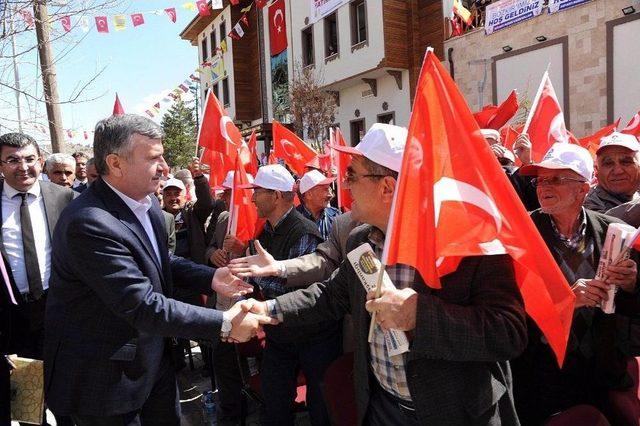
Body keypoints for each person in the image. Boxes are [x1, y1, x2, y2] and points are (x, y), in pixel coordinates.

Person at [238, 123, 527, 425]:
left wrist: (420, 315)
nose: (343, 186)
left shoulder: (470, 243)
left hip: (454, 414)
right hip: (382, 408)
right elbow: (330, 296)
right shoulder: (360, 240)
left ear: (387, 187)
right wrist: (267, 308)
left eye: (351, 175)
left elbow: (508, 332)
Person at [43, 114, 276, 425]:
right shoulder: (88, 222)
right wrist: (223, 323)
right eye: (153, 158)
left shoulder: (147, 203)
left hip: (155, 365)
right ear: (116, 163)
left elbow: (158, 260)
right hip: (108, 382)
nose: (165, 167)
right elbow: (139, 303)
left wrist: (211, 277)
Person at [515, 143, 638, 424]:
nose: (545, 186)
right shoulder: (521, 236)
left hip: (601, 376)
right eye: (541, 179)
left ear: (584, 188)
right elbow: (508, 311)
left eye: (556, 179)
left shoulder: (613, 231)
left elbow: (630, 309)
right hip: (543, 379)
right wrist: (565, 302)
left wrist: (632, 283)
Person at [242, 163, 340, 426]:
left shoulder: (303, 232)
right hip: (281, 336)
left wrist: (260, 287)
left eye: (258, 191)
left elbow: (300, 292)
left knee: (321, 409)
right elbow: (259, 277)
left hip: (314, 337)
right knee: (274, 404)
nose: (252, 198)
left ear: (275, 195)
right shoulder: (266, 231)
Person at [0, 132, 76, 425]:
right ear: (1, 165)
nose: (23, 167)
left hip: (59, 312)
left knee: (68, 400)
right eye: (13, 160)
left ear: (41, 162)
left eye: (30, 159)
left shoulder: (64, 197)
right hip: (12, 320)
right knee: (29, 407)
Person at [584, 132, 640, 212]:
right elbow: (603, 221)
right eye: (608, 164)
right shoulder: (587, 202)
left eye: (626, 162)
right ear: (596, 170)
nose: (618, 171)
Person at [297, 169, 340, 241]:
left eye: (329, 189)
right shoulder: (293, 220)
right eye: (325, 190)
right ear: (309, 195)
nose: (330, 195)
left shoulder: (336, 216)